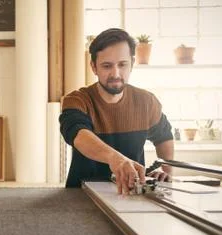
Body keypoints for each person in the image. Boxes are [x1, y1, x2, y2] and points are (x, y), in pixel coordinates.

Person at [59, 28, 174, 194]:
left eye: (122, 64)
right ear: (93, 67)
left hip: (131, 194)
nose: (116, 73)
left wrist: (166, 169)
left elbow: (164, 136)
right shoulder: (77, 100)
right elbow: (78, 134)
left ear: (132, 64)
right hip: (81, 195)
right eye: (107, 66)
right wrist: (116, 159)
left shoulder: (147, 101)